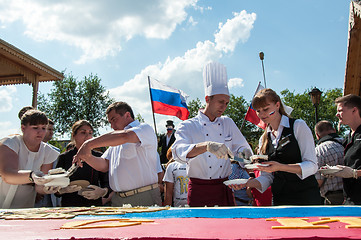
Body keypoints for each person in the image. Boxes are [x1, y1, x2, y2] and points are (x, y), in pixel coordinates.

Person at [171, 62, 253, 207]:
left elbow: (237, 155)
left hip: (224, 187)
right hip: (199, 190)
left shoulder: (228, 123)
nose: (224, 107)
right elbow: (177, 152)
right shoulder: (188, 125)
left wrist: (245, 155)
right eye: (220, 102)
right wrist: (206, 146)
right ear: (207, 99)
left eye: (227, 103)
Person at [229, 88, 321, 205]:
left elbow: (312, 166)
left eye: (266, 109)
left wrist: (280, 167)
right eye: (258, 111)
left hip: (306, 197)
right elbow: (267, 177)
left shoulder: (298, 126)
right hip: (280, 199)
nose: (262, 114)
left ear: (277, 105)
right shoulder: (264, 138)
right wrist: (246, 183)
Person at [74, 102, 162, 207]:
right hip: (118, 199)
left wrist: (88, 144)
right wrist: (87, 157)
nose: (112, 126)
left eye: (114, 119)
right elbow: (104, 165)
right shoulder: (114, 140)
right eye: (110, 122)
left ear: (127, 115)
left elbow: (124, 137)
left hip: (143, 196)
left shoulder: (144, 129)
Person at [0, 109, 60, 208]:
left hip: (24, 206)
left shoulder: (48, 151)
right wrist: (32, 175)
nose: (40, 132)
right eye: (35, 128)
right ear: (23, 128)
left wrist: (56, 187)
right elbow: (8, 175)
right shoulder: (10, 143)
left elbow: (40, 187)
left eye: (44, 128)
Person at [56, 120, 111, 207]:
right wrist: (62, 190)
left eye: (90, 133)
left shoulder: (99, 156)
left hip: (94, 205)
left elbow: (108, 183)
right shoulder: (64, 157)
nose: (87, 136)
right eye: (83, 132)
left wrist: (102, 192)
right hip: (70, 205)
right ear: (74, 135)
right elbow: (55, 188)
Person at [326, 94, 361, 205]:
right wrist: (336, 171)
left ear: (354, 110)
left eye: (341, 110)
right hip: (351, 199)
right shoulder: (348, 137)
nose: (337, 114)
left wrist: (355, 173)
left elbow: (353, 172)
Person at [314, 120, 344, 205]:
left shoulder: (319, 150)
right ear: (334, 130)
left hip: (334, 198)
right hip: (354, 194)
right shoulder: (348, 143)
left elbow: (318, 181)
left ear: (317, 135)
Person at [35, 118, 61, 207]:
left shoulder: (56, 151)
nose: (51, 132)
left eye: (52, 130)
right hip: (33, 196)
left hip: (50, 197)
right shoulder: (31, 149)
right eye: (49, 129)